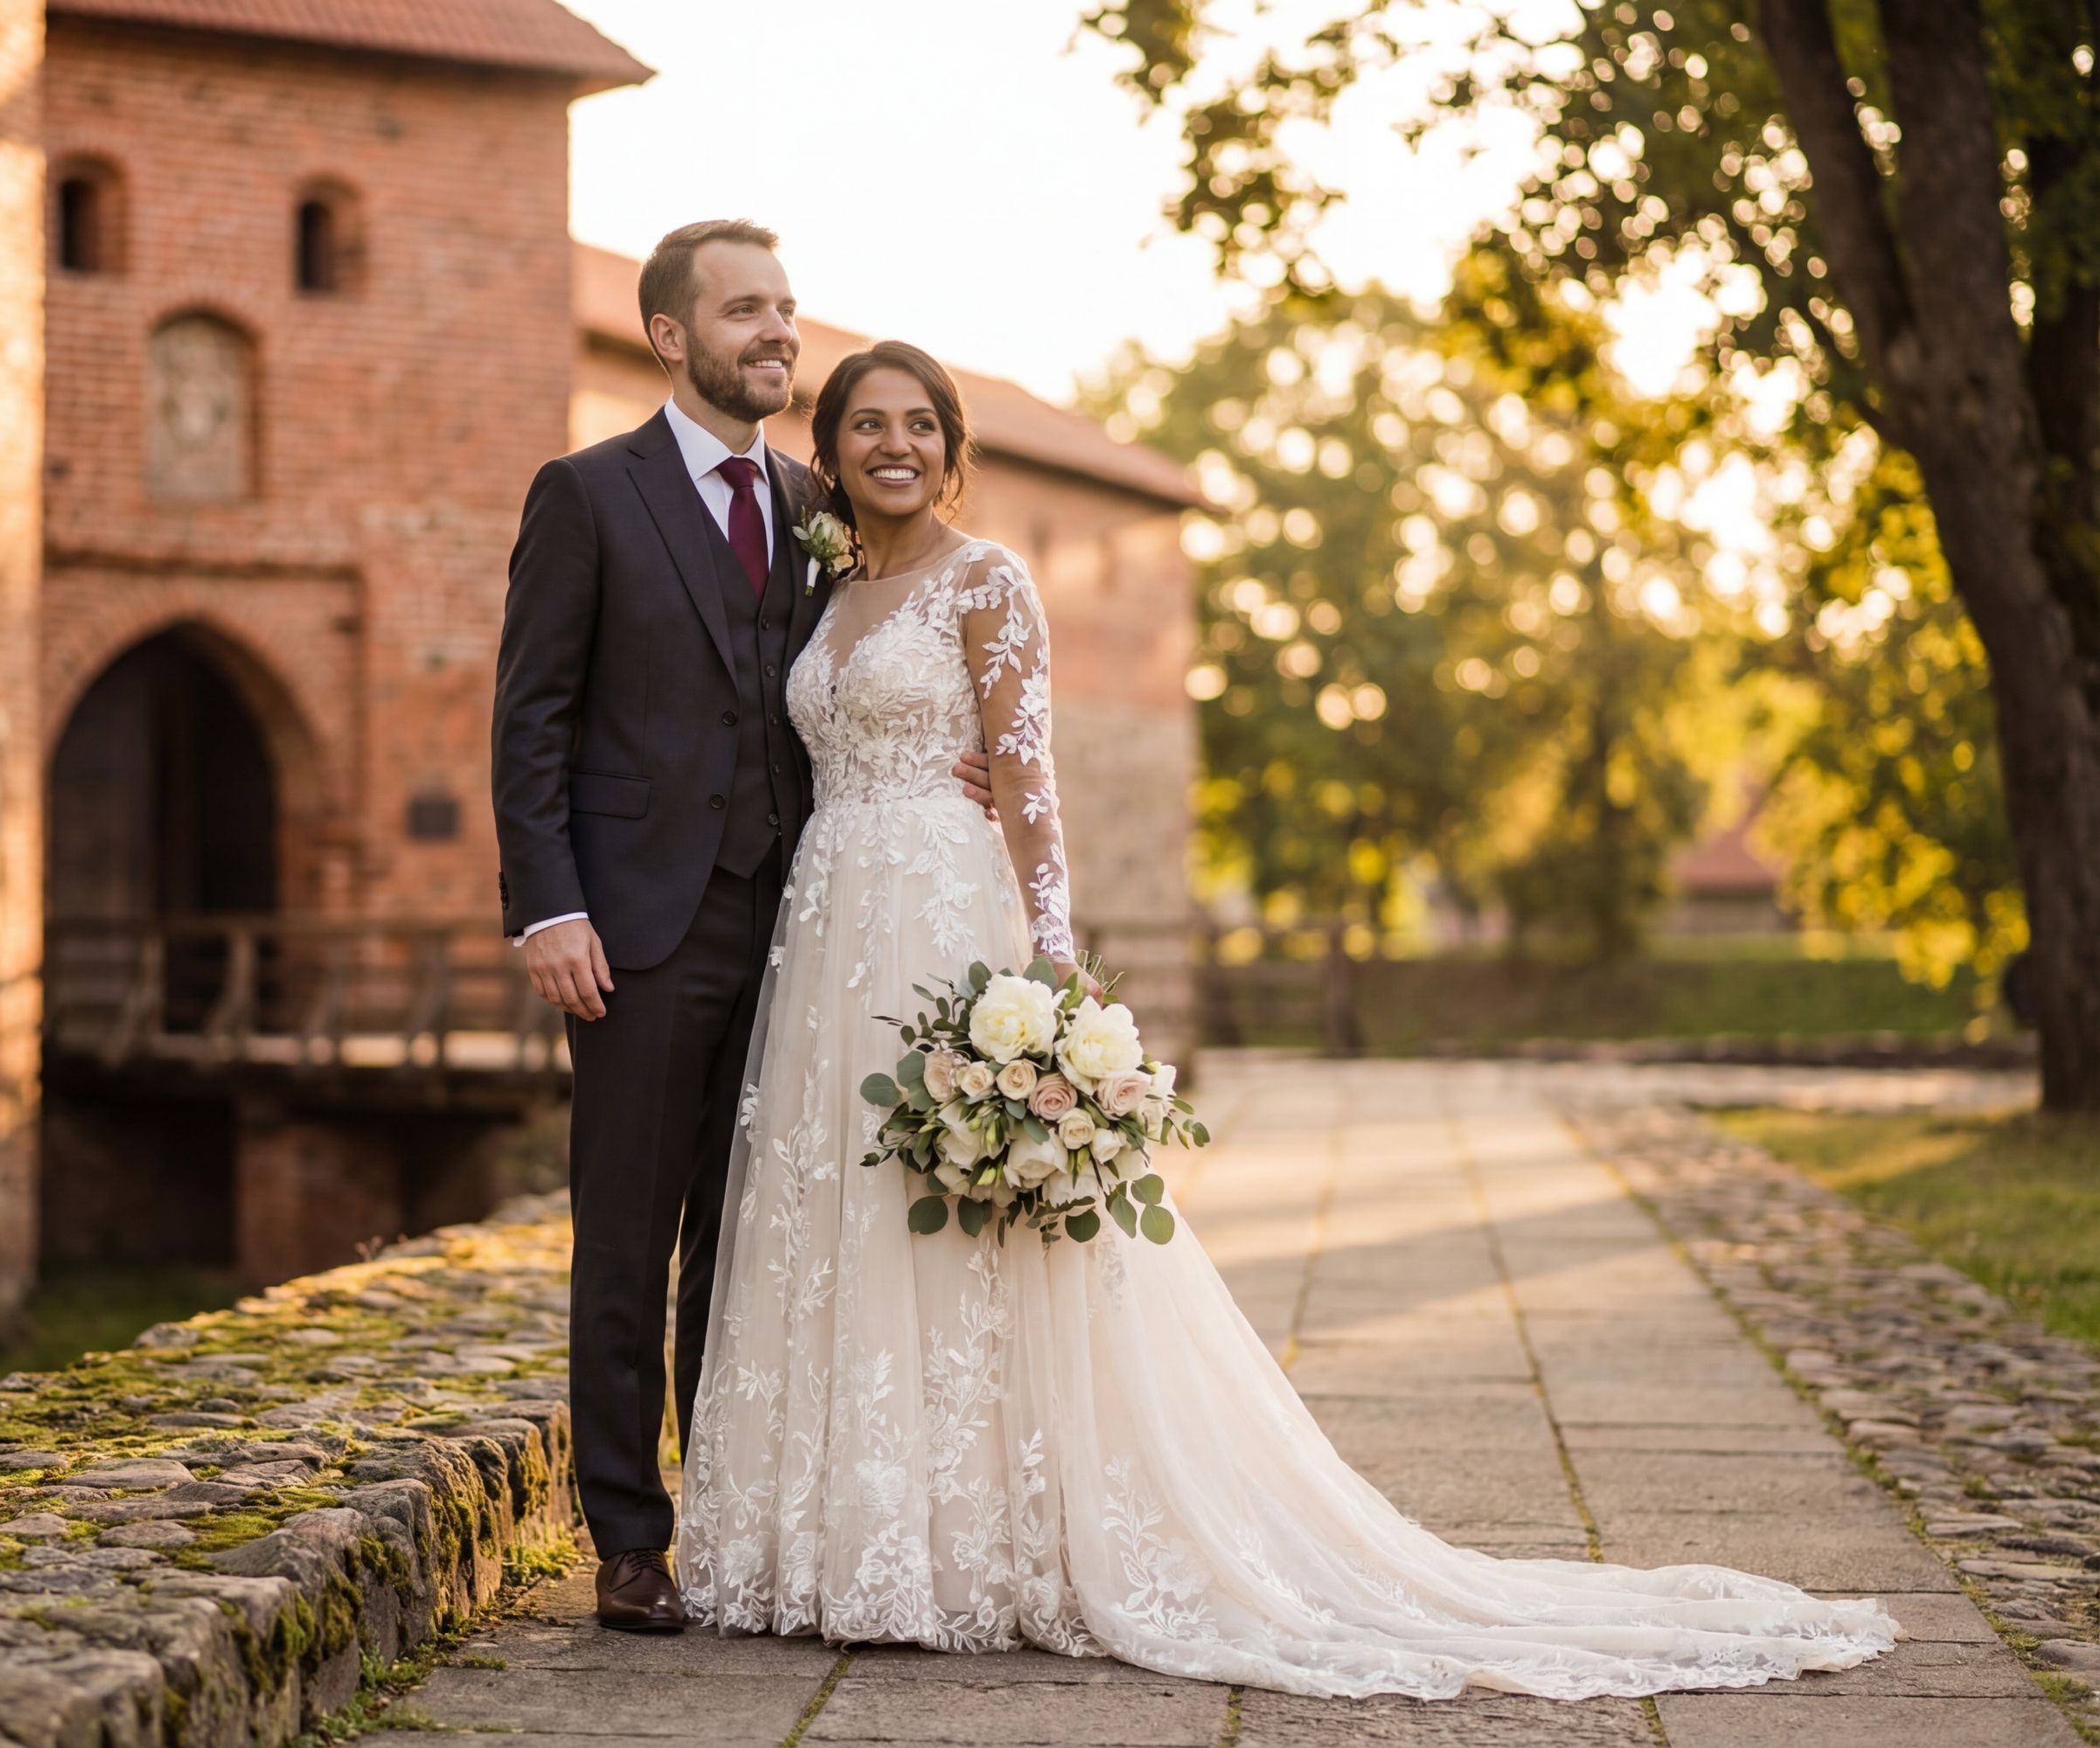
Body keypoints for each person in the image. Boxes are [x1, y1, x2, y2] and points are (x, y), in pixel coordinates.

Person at [673, 340, 1905, 1699]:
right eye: (864, 425)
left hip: (942, 924)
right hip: (828, 926)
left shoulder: (989, 581)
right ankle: (845, 1534)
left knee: (967, 1223)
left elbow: (1032, 786)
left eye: (917, 424)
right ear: (829, 447)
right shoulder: (831, 591)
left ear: (951, 446)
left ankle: (971, 1548)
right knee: (835, 1210)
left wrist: (1052, 969)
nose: (890, 445)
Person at [491, 221, 996, 1632]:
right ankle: (630, 1539)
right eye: (745, 312)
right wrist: (550, 903)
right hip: (638, 934)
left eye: (786, 309)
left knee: (760, 1235)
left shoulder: (812, 501)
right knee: (628, 1234)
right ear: (671, 334)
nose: (778, 332)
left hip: (802, 931)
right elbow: (531, 712)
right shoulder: (587, 494)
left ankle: (732, 1509)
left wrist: (955, 759)